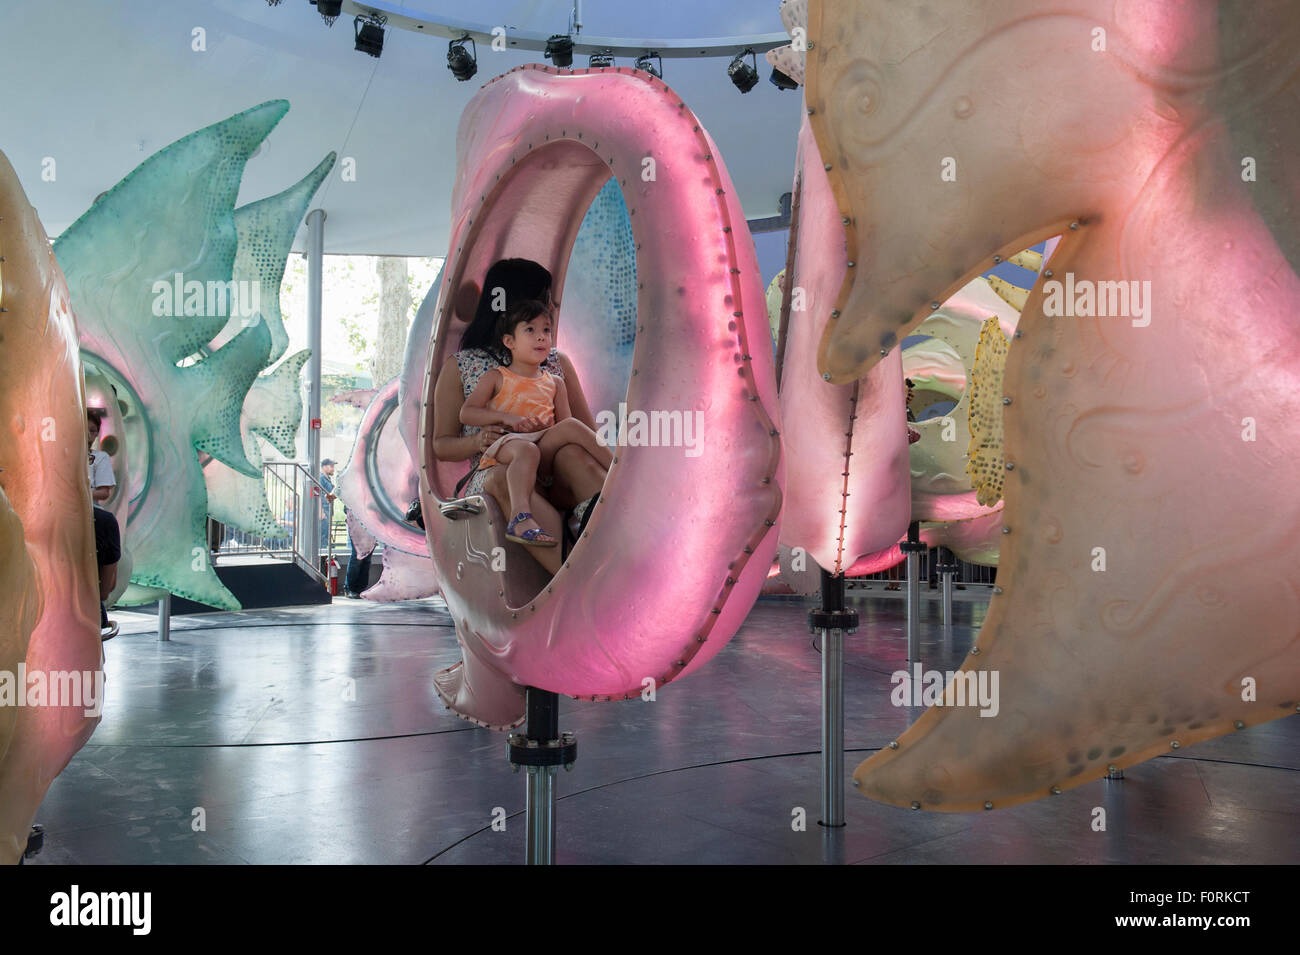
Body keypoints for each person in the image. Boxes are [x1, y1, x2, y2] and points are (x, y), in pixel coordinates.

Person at [430, 258, 608, 575]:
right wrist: (479, 441)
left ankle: (616, 528)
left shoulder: (555, 364)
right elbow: (441, 445)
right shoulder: (463, 366)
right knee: (503, 473)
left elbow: (582, 430)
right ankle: (573, 576)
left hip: (551, 467)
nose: (551, 306)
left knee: (573, 454)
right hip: (499, 466)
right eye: (544, 299)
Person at [460, 299, 612, 546]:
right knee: (526, 450)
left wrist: (545, 429)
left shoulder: (555, 382)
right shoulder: (497, 377)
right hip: (509, 443)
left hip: (544, 448)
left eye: (546, 330)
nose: (541, 337)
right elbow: (467, 414)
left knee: (572, 427)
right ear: (510, 342)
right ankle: (521, 518)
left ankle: (616, 473)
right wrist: (507, 418)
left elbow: (564, 426)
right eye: (530, 330)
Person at [87, 409, 121, 640]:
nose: (89, 435)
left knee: (107, 525)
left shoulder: (98, 458)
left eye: (93, 431)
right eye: (85, 429)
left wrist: (83, 492)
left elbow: (104, 492)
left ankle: (101, 596)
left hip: (88, 509)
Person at [319, 458, 337, 553]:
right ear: (324, 467)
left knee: (326, 536)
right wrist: (321, 512)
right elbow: (317, 495)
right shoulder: (321, 478)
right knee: (322, 537)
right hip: (324, 511)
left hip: (328, 511)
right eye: (331, 466)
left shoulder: (327, 479)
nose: (333, 469)